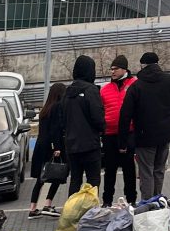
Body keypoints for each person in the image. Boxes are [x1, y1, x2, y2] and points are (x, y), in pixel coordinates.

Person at [119, 52, 170, 201]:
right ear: (157, 63)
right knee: (159, 169)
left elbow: (125, 114)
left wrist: (122, 141)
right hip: (165, 133)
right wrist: (169, 105)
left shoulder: (136, 86)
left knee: (146, 171)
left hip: (144, 136)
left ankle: (147, 204)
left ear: (143, 65)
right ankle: (158, 200)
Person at [56, 55, 105, 196]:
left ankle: (73, 210)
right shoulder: (91, 90)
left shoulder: (66, 93)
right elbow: (98, 118)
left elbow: (61, 120)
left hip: (71, 145)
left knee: (75, 180)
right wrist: (102, 129)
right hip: (90, 144)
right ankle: (91, 211)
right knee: (93, 180)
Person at [99, 55, 137, 206]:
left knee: (129, 169)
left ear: (124, 69)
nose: (112, 72)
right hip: (109, 134)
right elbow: (101, 110)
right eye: (112, 69)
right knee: (110, 169)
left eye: (116, 69)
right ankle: (107, 200)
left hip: (129, 132)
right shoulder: (105, 89)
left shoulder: (135, 84)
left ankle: (131, 199)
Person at [28, 83, 67, 218]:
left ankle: (33, 208)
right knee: (58, 174)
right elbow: (55, 129)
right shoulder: (57, 107)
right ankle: (48, 204)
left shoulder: (45, 109)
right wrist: (57, 147)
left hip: (41, 145)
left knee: (41, 178)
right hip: (52, 146)